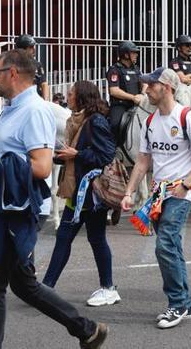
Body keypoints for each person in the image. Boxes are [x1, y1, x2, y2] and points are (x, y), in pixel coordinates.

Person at [0, 49, 108, 349]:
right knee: (22, 284)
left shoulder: (34, 110)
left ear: (13, 73)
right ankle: (86, 330)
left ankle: (85, 329)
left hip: (20, 209)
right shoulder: (11, 110)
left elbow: (42, 167)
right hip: (6, 206)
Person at [120, 68, 191, 329]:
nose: (147, 89)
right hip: (158, 194)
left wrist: (186, 185)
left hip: (180, 193)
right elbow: (142, 161)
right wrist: (129, 192)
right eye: (147, 85)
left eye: (152, 85)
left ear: (167, 88)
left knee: (164, 246)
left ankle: (177, 305)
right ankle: (185, 302)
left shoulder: (187, 117)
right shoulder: (150, 122)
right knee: (172, 247)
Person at [42, 81, 118, 306]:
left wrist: (77, 154)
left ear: (82, 97)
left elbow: (106, 155)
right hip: (78, 191)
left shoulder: (95, 121)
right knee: (67, 237)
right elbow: (75, 154)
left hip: (92, 193)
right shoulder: (76, 120)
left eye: (72, 93)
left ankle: (108, 288)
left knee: (91, 238)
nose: (68, 96)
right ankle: (47, 287)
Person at [106, 41, 143, 144]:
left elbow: (144, 84)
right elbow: (114, 91)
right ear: (126, 54)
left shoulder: (136, 69)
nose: (136, 55)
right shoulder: (115, 70)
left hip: (136, 104)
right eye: (133, 52)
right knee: (115, 124)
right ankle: (114, 150)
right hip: (120, 106)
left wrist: (142, 94)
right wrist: (133, 97)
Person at [15, 34, 50, 100]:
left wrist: (45, 101)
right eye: (31, 47)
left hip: (36, 101)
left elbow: (44, 84)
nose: (34, 49)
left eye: (34, 46)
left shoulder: (37, 65)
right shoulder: (13, 65)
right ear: (22, 50)